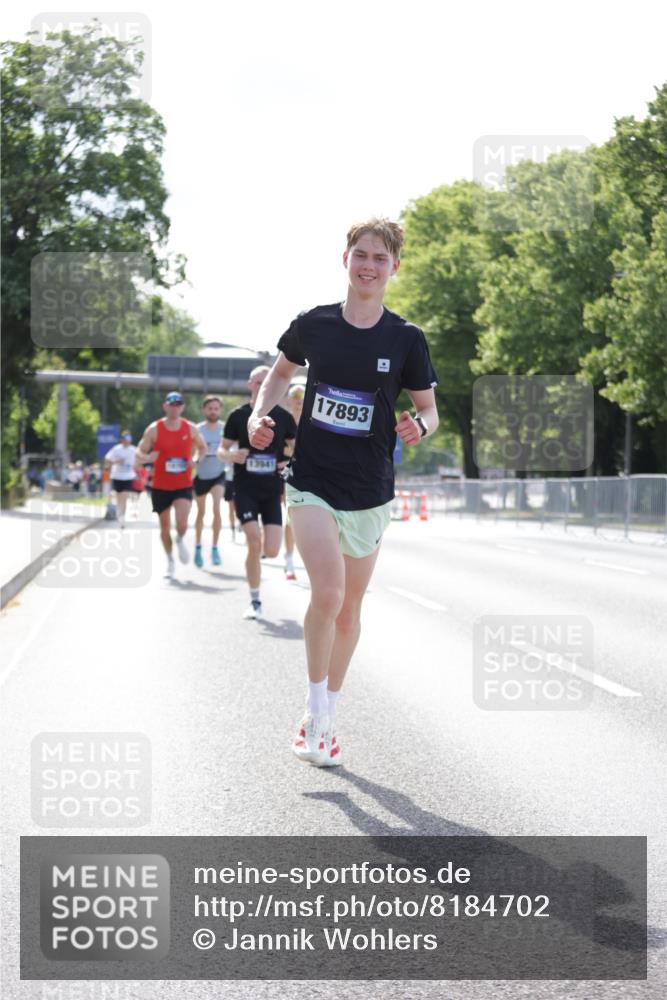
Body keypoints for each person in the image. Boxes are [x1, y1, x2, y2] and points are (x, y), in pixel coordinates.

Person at [248, 217, 439, 766]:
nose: (369, 265)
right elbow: (280, 376)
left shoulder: (406, 339)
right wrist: (262, 415)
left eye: (380, 258)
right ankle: (314, 715)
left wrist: (418, 428)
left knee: (351, 609)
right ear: (346, 258)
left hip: (371, 490)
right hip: (312, 481)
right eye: (361, 254)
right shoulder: (314, 325)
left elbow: (429, 409)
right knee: (327, 595)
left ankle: (332, 705)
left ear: (394, 266)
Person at [219, 366, 297, 619]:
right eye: (258, 382)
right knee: (254, 542)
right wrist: (232, 456)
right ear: (250, 384)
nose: (262, 386)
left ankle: (261, 554)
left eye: (267, 382)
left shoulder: (284, 418)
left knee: (271, 550)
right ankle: (255, 601)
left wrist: (290, 462)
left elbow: (299, 450)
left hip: (272, 490)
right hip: (245, 489)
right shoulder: (238, 416)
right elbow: (221, 450)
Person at [136, 391, 206, 577]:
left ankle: (181, 538)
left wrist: (196, 460)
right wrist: (147, 457)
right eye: (171, 404)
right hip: (160, 485)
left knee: (182, 521)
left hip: (183, 483)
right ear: (165, 406)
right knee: (164, 526)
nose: (175, 408)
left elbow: (202, 447)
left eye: (178, 405)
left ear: (182, 407)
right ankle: (170, 561)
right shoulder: (154, 429)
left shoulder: (190, 428)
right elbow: (139, 453)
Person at [193, 395, 226, 568]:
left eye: (216, 408)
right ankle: (198, 547)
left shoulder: (225, 428)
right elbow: (193, 451)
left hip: (218, 474)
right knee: (201, 512)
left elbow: (231, 447)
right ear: (204, 410)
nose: (213, 411)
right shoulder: (197, 430)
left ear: (220, 410)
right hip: (201, 476)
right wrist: (195, 459)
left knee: (216, 507)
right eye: (210, 408)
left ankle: (214, 548)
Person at [282, 381, 305, 580]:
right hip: (288, 473)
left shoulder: (312, 421)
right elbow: (281, 451)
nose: (300, 402)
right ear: (289, 400)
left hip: (312, 472)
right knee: (290, 516)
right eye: (296, 398)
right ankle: (289, 559)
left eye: (303, 398)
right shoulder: (282, 421)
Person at [104, 431, 137, 527]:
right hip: (117, 476)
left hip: (128, 476)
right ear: (122, 440)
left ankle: (122, 516)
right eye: (125, 440)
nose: (127, 442)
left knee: (125, 495)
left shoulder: (133, 450)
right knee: (119, 497)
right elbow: (108, 460)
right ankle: (119, 513)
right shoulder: (116, 449)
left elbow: (139, 459)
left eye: (129, 440)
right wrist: (117, 461)